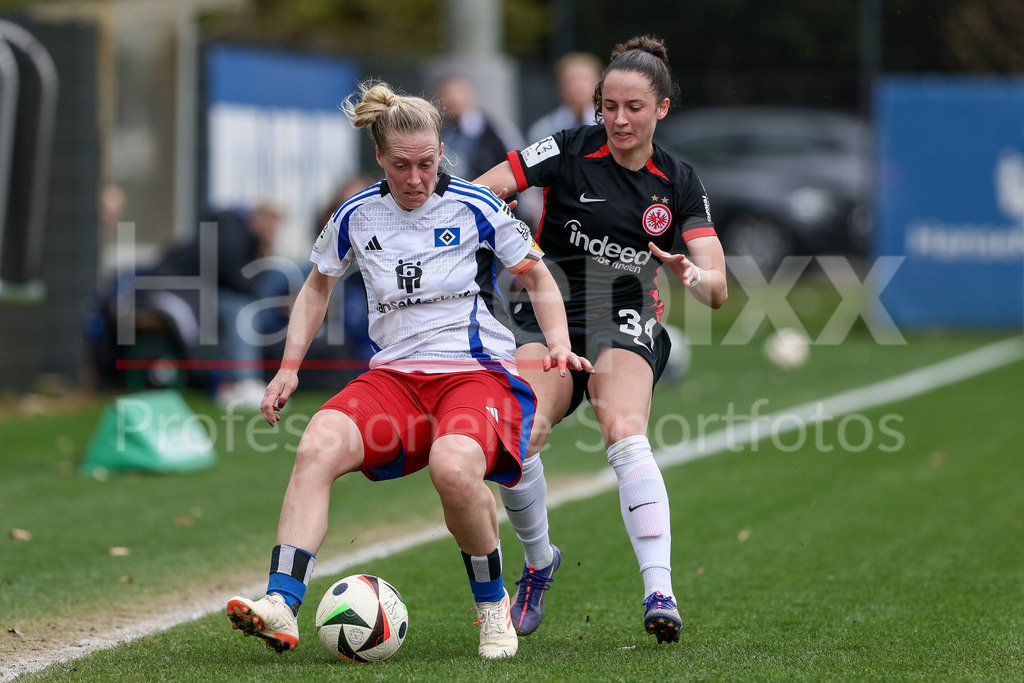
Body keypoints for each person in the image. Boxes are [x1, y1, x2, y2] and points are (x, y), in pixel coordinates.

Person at [225, 80, 592, 661]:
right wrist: (287, 368)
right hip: (395, 381)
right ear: (379, 158)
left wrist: (558, 343)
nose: (416, 177)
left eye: (427, 163)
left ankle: (493, 608)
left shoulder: (476, 206)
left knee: (453, 468)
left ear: (441, 152)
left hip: (475, 376)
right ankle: (280, 602)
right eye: (402, 166)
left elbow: (537, 275)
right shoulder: (356, 214)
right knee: (317, 444)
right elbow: (317, 286)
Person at [476, 35, 728, 644]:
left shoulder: (680, 182)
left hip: (626, 312)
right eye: (608, 106)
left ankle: (659, 589)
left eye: (634, 107)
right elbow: (483, 192)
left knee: (623, 427)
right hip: (547, 308)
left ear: (662, 109)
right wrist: (500, 225)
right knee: (521, 433)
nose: (618, 119)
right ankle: (539, 563)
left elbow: (717, 287)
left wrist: (692, 272)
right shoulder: (565, 149)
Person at [147, 201, 283, 408]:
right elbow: (235, 277)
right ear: (256, 219)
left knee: (236, 308)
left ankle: (229, 384)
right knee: (239, 309)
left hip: (193, 292)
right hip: (171, 290)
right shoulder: (233, 235)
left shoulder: (244, 239)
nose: (272, 231)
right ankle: (244, 380)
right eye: (269, 224)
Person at [526, 51, 603, 144]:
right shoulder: (542, 132)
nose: (579, 86)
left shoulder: (609, 125)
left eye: (585, 79)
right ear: (559, 86)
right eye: (572, 80)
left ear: (598, 85)